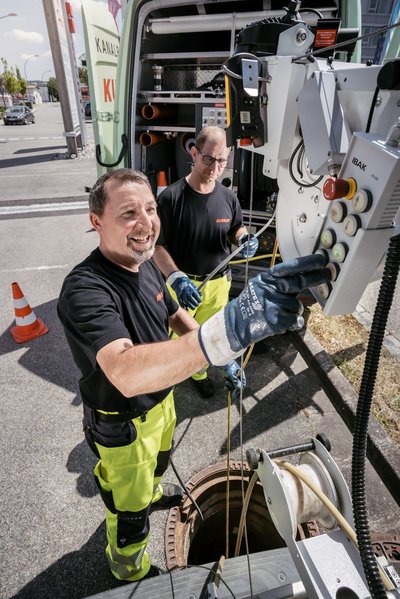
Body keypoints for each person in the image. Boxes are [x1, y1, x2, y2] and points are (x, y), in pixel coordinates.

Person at [57, 168, 331, 583]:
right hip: (125, 423)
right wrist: (225, 334)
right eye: (128, 212)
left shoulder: (143, 263)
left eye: (150, 208)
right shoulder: (86, 289)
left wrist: (222, 357)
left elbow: (175, 313)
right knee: (127, 507)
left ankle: (151, 494)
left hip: (162, 403)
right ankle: (128, 566)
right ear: (96, 221)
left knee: (158, 467)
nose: (146, 222)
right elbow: (125, 373)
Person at [154, 126, 259, 399]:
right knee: (178, 339)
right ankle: (167, 383)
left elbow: (236, 227)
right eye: (209, 158)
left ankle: (199, 373)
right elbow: (157, 245)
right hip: (183, 287)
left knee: (212, 333)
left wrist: (244, 237)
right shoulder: (171, 198)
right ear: (194, 152)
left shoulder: (227, 197)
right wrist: (175, 276)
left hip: (218, 285)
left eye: (222, 160)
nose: (215, 166)